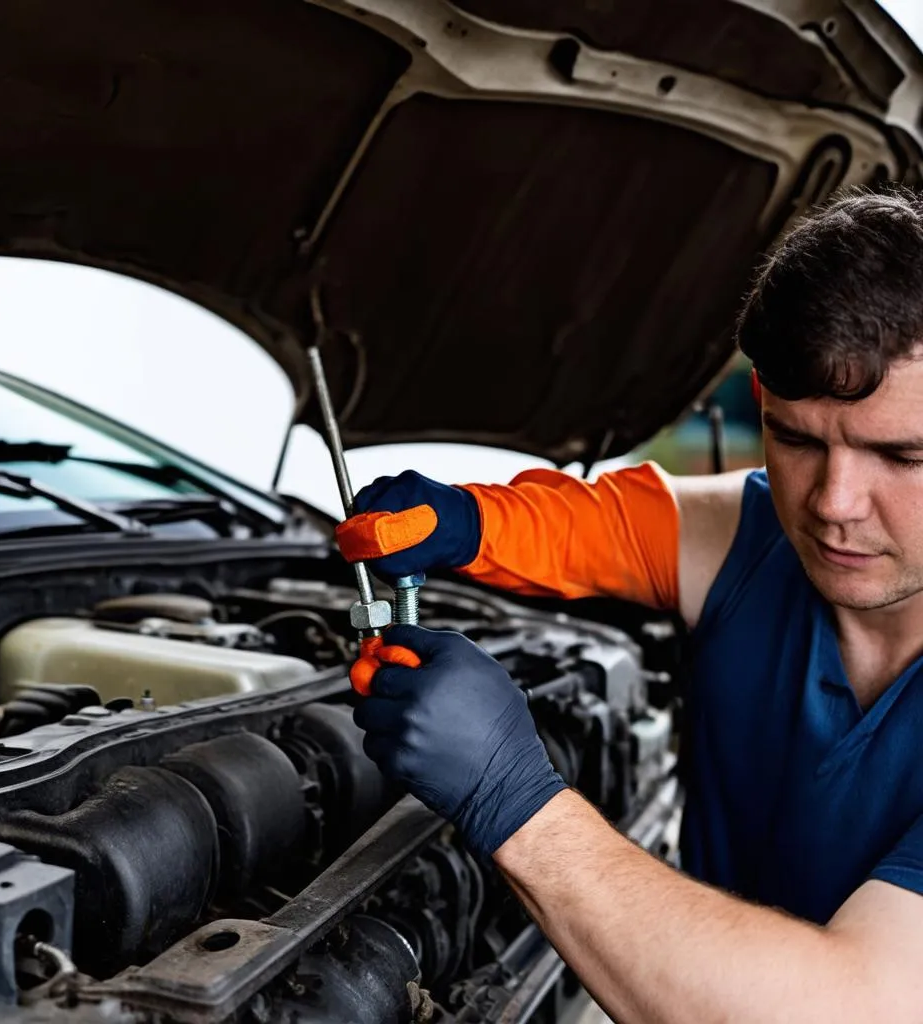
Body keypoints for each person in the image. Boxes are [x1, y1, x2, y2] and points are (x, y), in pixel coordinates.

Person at [334, 186, 923, 1021]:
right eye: (797, 439)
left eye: (901, 456)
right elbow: (614, 523)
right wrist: (468, 520)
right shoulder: (756, 540)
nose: (834, 503)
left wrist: (513, 798)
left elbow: (852, 1006)